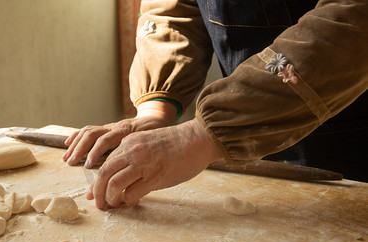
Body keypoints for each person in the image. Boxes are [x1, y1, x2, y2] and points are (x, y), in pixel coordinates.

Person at [63, 0, 368, 210]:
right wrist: (155, 109)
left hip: (351, 142)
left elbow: (353, 22)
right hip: (243, 146)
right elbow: (174, 9)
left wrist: (199, 137)